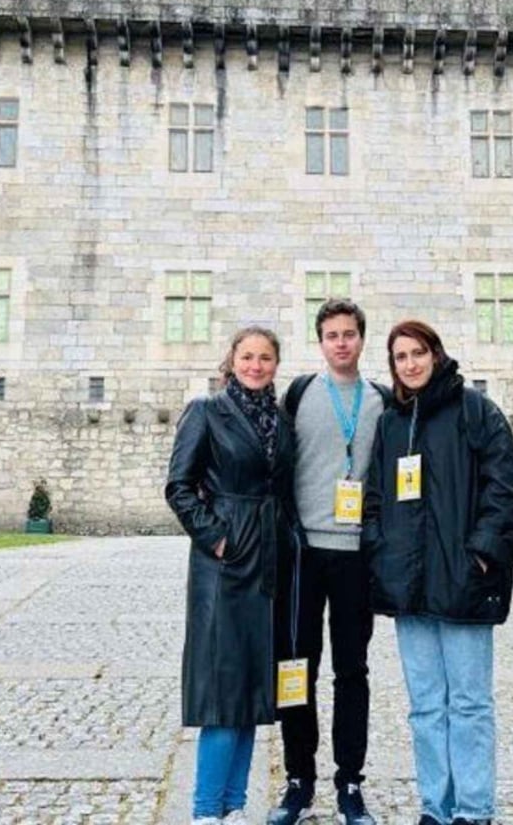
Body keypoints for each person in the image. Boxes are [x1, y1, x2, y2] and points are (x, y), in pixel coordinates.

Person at [362, 320, 513, 825]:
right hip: (409, 588)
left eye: (417, 353)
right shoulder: (393, 422)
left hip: (463, 582)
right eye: (400, 357)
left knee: (471, 705)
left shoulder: (475, 411)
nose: (410, 364)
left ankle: (475, 810)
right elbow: (374, 498)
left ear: (435, 354)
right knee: (426, 708)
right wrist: (380, 551)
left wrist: (481, 553)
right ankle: (436, 807)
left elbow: (509, 488)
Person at [165, 326, 298, 825]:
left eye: (265, 358)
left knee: (252, 685)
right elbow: (178, 486)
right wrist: (217, 536)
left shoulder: (281, 421)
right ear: (232, 360)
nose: (256, 365)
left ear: (275, 364)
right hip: (223, 564)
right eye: (248, 356)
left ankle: (235, 805)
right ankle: (205, 809)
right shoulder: (206, 411)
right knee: (222, 688)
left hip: (268, 560)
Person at [268, 300, 388, 825]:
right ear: (320, 342)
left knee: (352, 672)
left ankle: (350, 781)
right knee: (296, 667)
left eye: (349, 334)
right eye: (331, 335)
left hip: (355, 556)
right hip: (302, 554)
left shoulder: (382, 401)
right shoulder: (298, 395)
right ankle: (298, 779)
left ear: (362, 340)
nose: (341, 342)